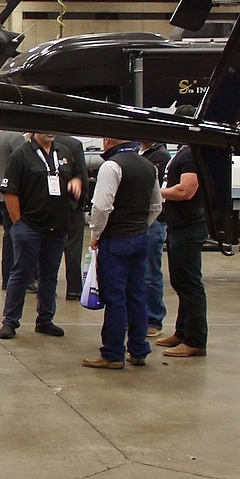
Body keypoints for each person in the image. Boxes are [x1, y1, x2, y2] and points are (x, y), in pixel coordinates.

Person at [82, 137, 162, 370]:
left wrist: (96, 234)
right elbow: (156, 205)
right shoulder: (149, 166)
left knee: (115, 297)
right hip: (140, 238)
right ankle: (138, 350)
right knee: (137, 294)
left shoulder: (111, 166)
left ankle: (113, 353)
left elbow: (102, 206)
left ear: (108, 141)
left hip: (115, 240)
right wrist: (141, 227)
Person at [0, 130, 82, 339]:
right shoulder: (21, 155)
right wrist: (18, 224)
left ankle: (45, 319)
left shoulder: (63, 152)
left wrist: (77, 180)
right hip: (30, 226)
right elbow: (10, 191)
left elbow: (76, 173)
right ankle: (10, 321)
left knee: (50, 274)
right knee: (22, 273)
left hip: (57, 227)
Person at [155, 134, 209, 357]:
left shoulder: (190, 155)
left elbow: (186, 190)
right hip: (179, 225)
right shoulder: (184, 152)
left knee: (189, 284)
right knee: (180, 281)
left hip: (189, 226)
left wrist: (154, 192)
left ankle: (195, 340)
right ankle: (182, 331)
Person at [139, 139, 171, 336]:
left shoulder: (161, 156)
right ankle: (138, 317)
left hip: (154, 220)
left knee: (150, 273)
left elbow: (154, 191)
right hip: (138, 218)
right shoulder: (138, 151)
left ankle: (154, 319)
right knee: (137, 274)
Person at [0, 128, 28, 290]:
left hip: (0, 191)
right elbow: (22, 164)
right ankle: (18, 278)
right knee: (18, 237)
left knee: (8, 236)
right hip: (14, 192)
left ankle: (7, 278)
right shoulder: (17, 138)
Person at [54, 133, 90, 302]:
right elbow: (82, 173)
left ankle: (44, 286)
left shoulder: (29, 144)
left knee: (46, 250)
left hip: (48, 206)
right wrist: (83, 201)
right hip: (70, 205)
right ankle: (74, 290)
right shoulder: (73, 144)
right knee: (73, 250)